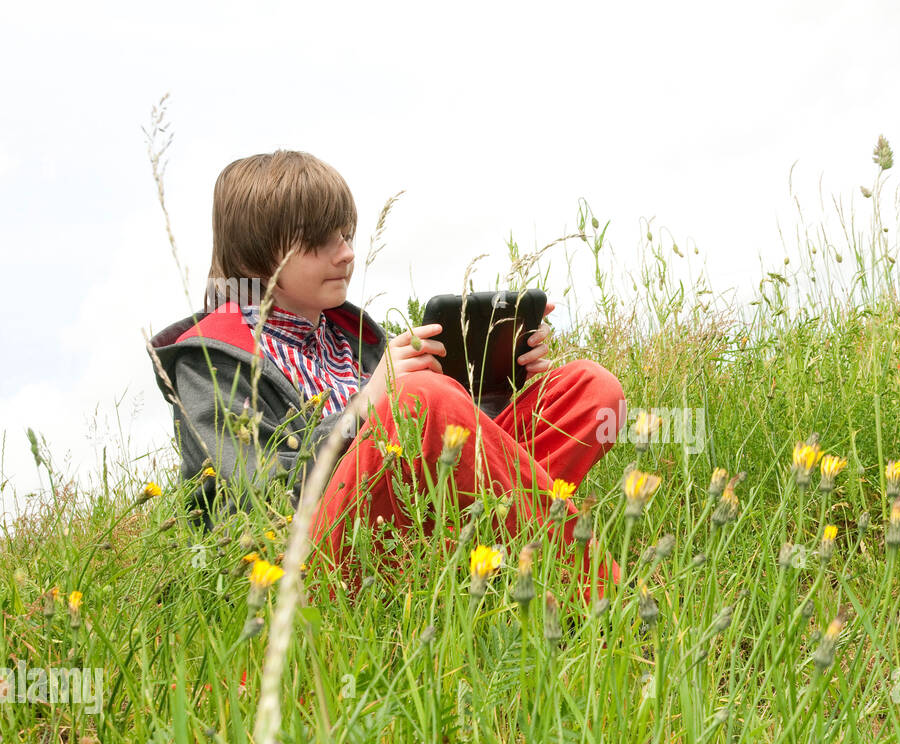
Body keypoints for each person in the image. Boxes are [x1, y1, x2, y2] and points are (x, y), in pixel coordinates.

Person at [146, 149, 624, 594]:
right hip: (303, 564)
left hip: (404, 526)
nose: (347, 254)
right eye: (320, 242)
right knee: (420, 399)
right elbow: (242, 510)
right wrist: (368, 407)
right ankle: (601, 594)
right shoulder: (209, 358)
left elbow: (436, 445)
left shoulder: (353, 337)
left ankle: (470, 568)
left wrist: (501, 384)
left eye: (346, 236)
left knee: (591, 391)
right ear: (257, 253)